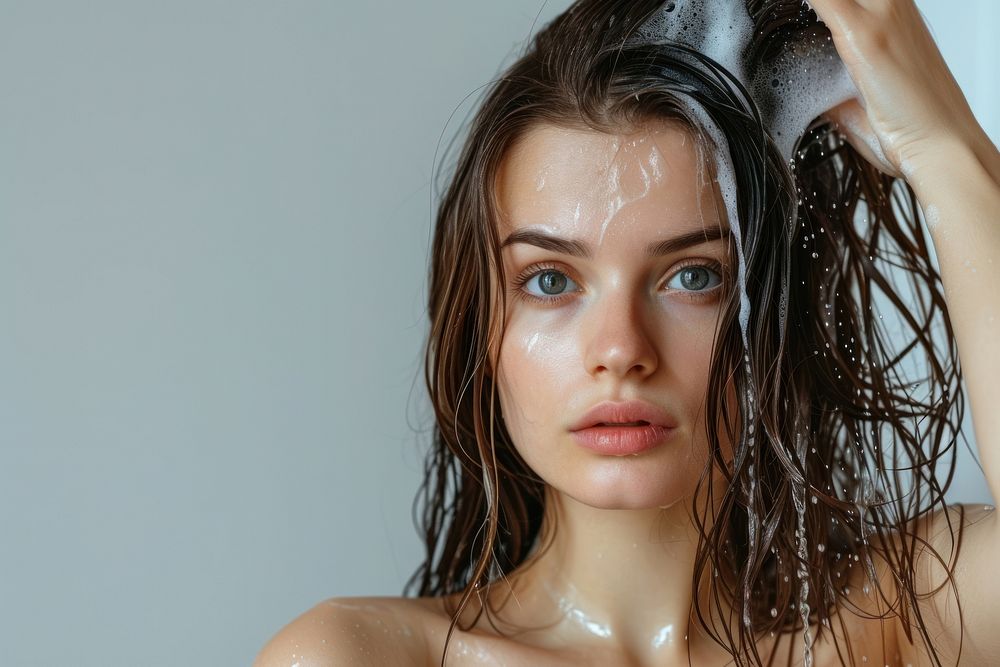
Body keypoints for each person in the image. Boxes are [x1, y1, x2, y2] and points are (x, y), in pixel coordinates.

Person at [255, 0, 1000, 664]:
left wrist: (945, 146)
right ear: (482, 330)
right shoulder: (352, 658)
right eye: (550, 280)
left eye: (693, 276)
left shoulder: (903, 618)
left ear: (769, 316)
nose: (620, 350)